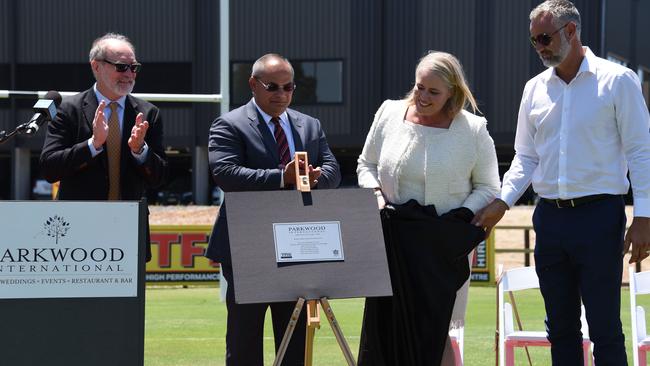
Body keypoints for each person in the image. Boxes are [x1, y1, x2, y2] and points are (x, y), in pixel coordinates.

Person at [472, 1, 650, 364]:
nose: (539, 47)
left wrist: (645, 216)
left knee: (604, 327)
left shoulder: (617, 80)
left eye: (544, 38)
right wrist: (502, 202)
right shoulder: (534, 89)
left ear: (571, 31)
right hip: (549, 219)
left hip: (600, 216)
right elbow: (525, 156)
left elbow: (641, 152)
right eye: (533, 40)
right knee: (560, 328)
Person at [356, 51, 500, 365]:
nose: (423, 96)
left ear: (453, 92)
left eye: (433, 91)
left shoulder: (473, 129)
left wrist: (462, 218)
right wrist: (377, 197)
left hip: (443, 250)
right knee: (384, 331)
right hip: (392, 244)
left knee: (441, 332)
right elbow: (366, 164)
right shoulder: (389, 112)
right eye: (420, 87)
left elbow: (489, 187)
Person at [205, 53, 341, 365]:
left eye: (288, 87)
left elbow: (332, 167)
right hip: (247, 246)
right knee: (244, 338)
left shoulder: (309, 124)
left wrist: (315, 179)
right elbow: (226, 174)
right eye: (272, 87)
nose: (281, 94)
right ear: (253, 84)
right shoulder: (229, 124)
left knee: (295, 338)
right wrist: (283, 177)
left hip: (297, 244)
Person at [40, 33, 168, 261]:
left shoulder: (148, 114)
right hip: (76, 230)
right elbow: (50, 169)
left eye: (133, 67)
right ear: (96, 66)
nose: (129, 74)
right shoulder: (67, 110)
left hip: (128, 230)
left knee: (128, 299)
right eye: (121, 67)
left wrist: (141, 151)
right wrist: (93, 145)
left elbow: (158, 178)